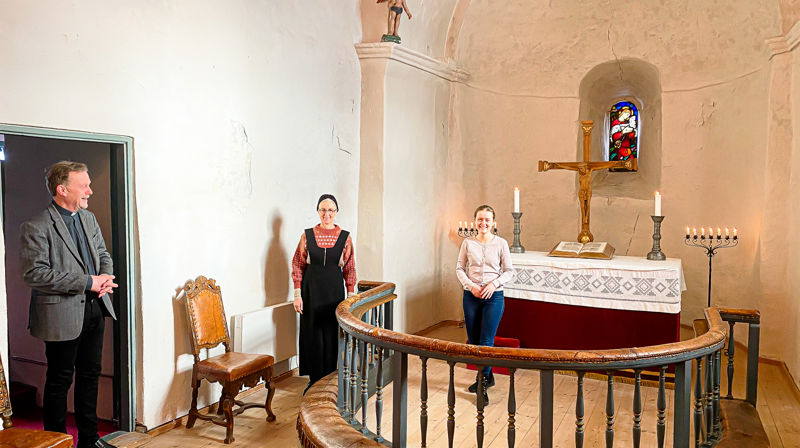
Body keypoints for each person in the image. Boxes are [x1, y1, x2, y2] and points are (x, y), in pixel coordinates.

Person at [20, 161, 118, 448]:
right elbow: (34, 274)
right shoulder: (36, 226)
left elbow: (102, 253)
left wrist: (105, 277)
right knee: (59, 381)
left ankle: (89, 441)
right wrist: (89, 282)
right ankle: (57, 442)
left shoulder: (88, 219)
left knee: (90, 376)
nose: (90, 190)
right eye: (84, 185)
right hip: (60, 315)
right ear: (62, 189)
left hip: (96, 309)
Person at [291, 194, 356, 392]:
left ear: (336, 212)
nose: (326, 214)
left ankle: (329, 378)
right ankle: (313, 379)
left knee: (331, 333)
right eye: (323, 210)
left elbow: (350, 267)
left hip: (334, 291)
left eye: (330, 210)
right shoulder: (307, 236)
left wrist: (351, 294)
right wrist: (297, 294)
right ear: (318, 211)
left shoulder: (345, 237)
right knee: (312, 333)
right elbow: (297, 264)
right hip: (311, 291)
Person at [455, 205, 514, 405]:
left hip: (494, 296)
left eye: (487, 220)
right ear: (475, 221)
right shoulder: (467, 243)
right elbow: (460, 268)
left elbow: (509, 271)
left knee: (486, 341)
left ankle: (482, 382)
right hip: (471, 295)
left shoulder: (501, 244)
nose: (483, 223)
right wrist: (470, 286)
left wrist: (493, 284)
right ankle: (488, 375)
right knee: (473, 340)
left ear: (493, 222)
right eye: (480, 219)